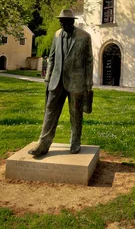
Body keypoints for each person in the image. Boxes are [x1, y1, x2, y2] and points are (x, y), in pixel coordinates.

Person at [29, 9, 94, 156]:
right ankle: (43, 144)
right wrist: (48, 77)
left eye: (64, 21)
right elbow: (51, 58)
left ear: (72, 22)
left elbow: (89, 61)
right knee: (50, 112)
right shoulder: (57, 35)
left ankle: (75, 142)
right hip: (56, 81)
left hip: (76, 81)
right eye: (60, 21)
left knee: (76, 114)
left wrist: (88, 83)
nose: (61, 23)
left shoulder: (85, 37)